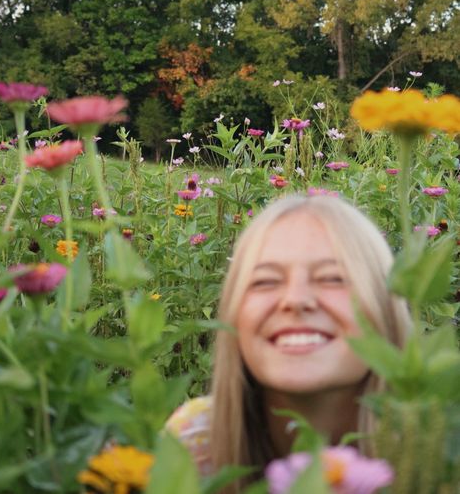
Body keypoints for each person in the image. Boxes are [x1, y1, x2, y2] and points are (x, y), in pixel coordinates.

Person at [166, 195, 411, 490]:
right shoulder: (196, 443)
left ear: (386, 310)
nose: (295, 300)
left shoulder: (445, 453)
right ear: (233, 317)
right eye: (265, 281)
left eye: (333, 278)